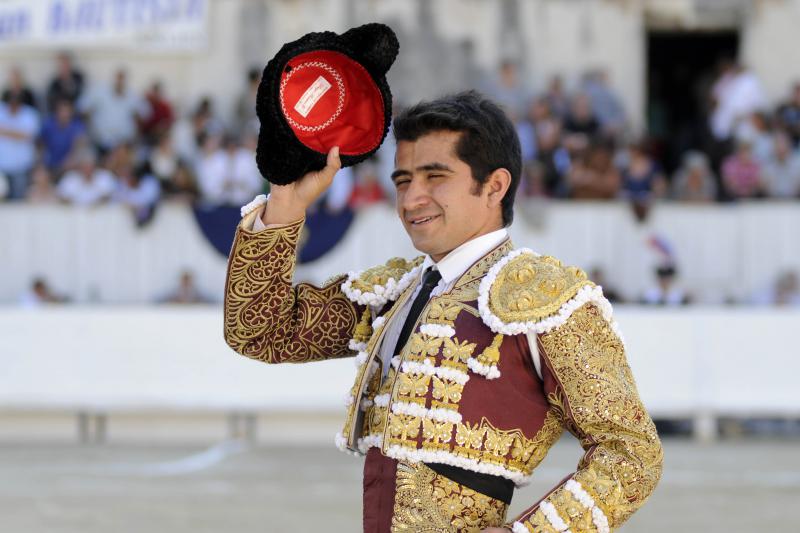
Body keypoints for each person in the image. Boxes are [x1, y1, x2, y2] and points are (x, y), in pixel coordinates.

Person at [224, 91, 662, 532]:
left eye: (435, 177)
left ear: (494, 186)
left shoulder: (545, 299)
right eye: (402, 181)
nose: (411, 198)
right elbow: (260, 330)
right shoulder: (396, 291)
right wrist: (285, 205)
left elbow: (632, 452)